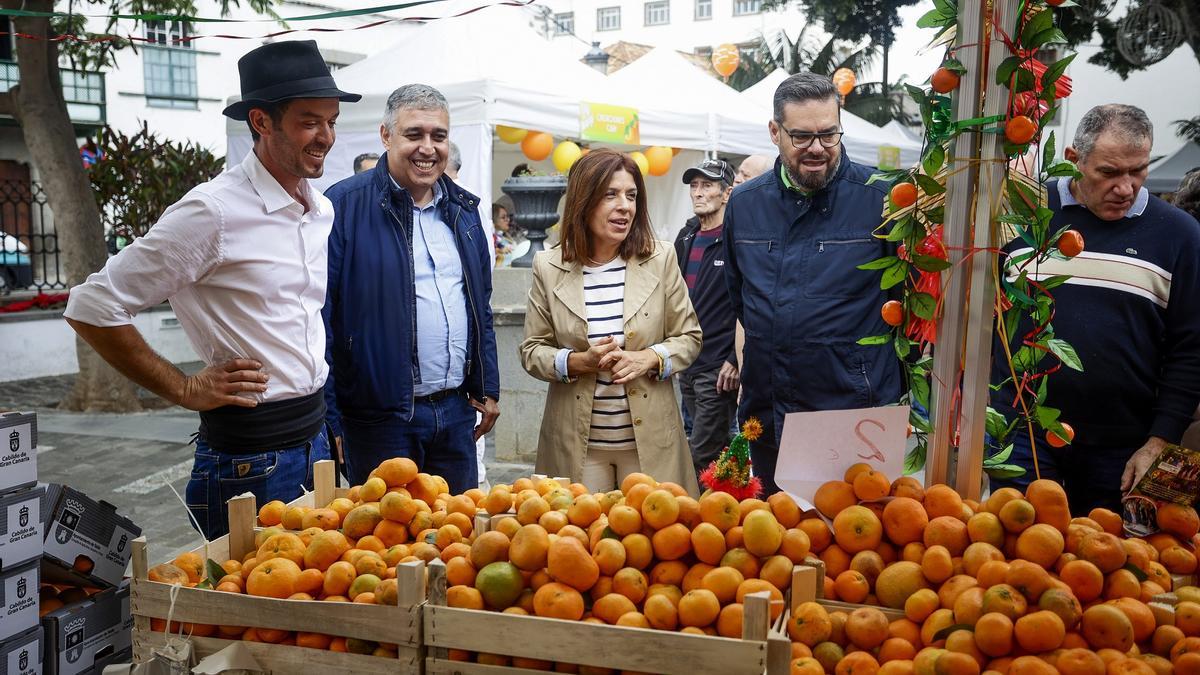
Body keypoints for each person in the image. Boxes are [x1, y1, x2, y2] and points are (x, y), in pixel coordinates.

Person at [63, 40, 359, 538]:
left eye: (331, 121)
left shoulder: (319, 209)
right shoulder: (213, 212)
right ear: (262, 122)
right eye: (310, 121)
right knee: (253, 612)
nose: (325, 136)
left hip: (316, 440)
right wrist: (182, 387)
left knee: (314, 606)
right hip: (250, 461)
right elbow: (91, 304)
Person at [989, 104, 1200, 514]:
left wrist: (1160, 440)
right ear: (1074, 160)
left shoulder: (1180, 235)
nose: (1126, 187)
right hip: (1021, 430)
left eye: (1138, 170)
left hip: (1122, 445)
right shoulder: (1022, 212)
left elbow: (1190, 348)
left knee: (1100, 564)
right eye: (1109, 172)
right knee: (1020, 557)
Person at [724, 72, 902, 495]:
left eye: (829, 134)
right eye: (802, 137)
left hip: (854, 414)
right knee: (773, 543)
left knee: (853, 546)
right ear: (775, 132)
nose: (817, 149)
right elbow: (742, 300)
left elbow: (902, 300)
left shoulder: (882, 199)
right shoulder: (745, 205)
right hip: (766, 412)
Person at [323, 84, 500, 493]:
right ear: (386, 136)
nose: (428, 147)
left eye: (438, 136)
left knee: (458, 544)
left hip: (456, 415)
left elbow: (480, 309)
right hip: (380, 422)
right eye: (414, 134)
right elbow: (321, 319)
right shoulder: (343, 208)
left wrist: (488, 387)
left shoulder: (464, 212)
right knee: (386, 547)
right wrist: (330, 418)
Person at [520, 149, 702, 494]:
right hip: (578, 446)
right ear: (583, 201)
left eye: (631, 195)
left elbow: (689, 338)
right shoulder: (548, 265)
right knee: (580, 543)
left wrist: (648, 358)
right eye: (610, 194)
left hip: (649, 443)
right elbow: (532, 350)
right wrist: (576, 362)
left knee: (659, 542)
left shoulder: (660, 258)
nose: (625, 206)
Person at [674, 158, 740, 481]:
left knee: (699, 452)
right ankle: (734, 511)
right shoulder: (686, 238)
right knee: (722, 449)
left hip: (717, 369)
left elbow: (749, 305)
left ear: (726, 194)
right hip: (687, 363)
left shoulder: (736, 240)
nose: (698, 193)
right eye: (695, 186)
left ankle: (692, 521)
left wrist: (735, 358)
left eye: (708, 185)